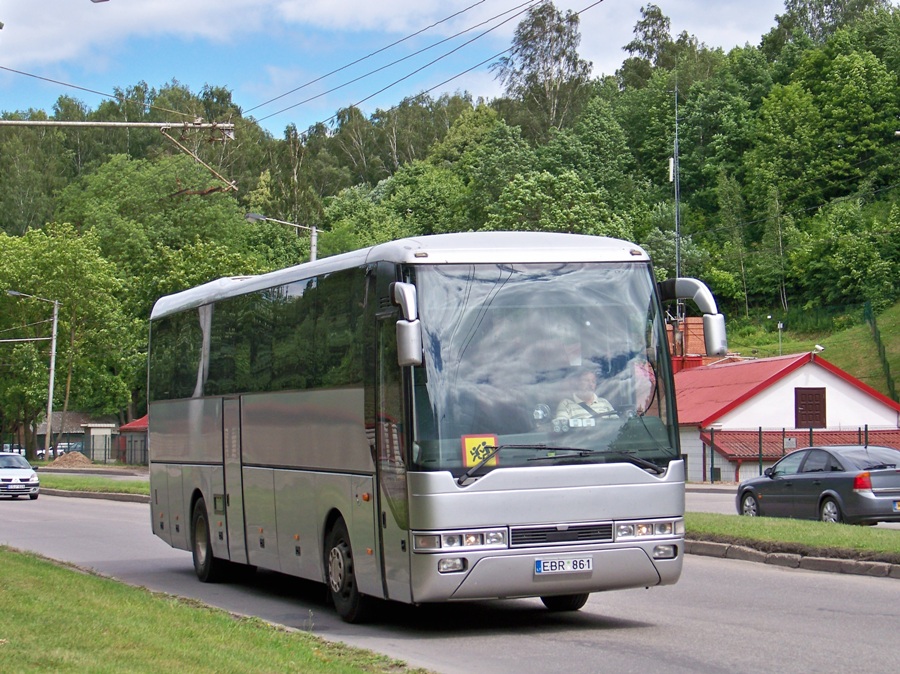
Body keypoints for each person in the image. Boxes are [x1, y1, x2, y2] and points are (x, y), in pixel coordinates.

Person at [554, 368, 618, 423]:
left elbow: (617, 424)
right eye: (586, 381)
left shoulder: (604, 403)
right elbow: (561, 427)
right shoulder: (566, 404)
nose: (590, 384)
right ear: (578, 383)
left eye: (593, 382)